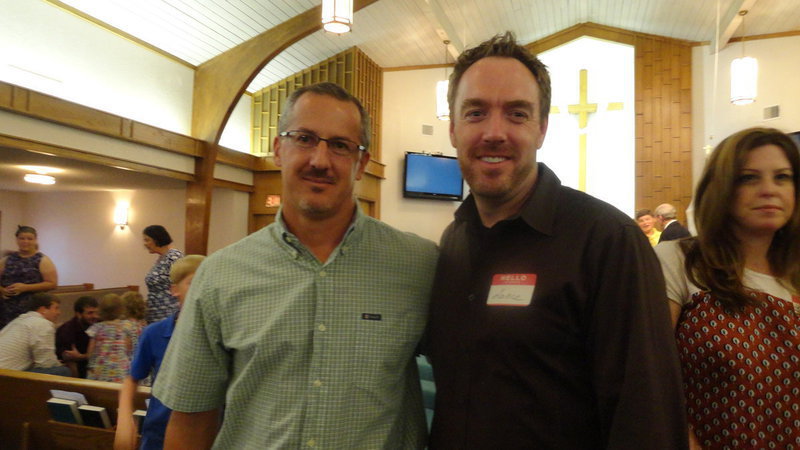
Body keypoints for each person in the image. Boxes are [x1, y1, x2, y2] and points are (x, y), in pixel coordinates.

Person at [426, 32, 688, 449]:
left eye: (516, 114)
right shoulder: (455, 240)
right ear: (454, 129)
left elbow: (647, 417)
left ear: (542, 128)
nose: (495, 132)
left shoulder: (607, 242)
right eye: (475, 113)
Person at [155, 82, 438, 449]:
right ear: (278, 149)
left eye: (340, 145)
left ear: (361, 164)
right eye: (304, 138)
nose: (320, 160)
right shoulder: (220, 275)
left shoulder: (418, 266)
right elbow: (192, 419)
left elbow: (470, 386)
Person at [655, 127, 800, 448]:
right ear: (720, 188)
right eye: (749, 178)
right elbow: (650, 375)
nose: (769, 190)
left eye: (782, 177)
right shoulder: (680, 260)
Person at [115, 255, 204, 450]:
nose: (202, 289)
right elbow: (133, 378)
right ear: (174, 290)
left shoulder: (218, 335)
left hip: (204, 432)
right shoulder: (154, 333)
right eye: (193, 283)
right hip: (159, 432)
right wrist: (124, 418)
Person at [0, 225, 58, 329]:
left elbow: (52, 284)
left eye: (29, 239)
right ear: (17, 240)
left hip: (31, 308)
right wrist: (2, 290)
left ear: (35, 240)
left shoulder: (42, 260)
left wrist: (25, 287)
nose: (25, 241)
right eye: (22, 238)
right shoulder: (7, 259)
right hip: (6, 308)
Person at [0, 293, 70, 376]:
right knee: (62, 371)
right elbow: (46, 363)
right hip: (5, 377)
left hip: (5, 371)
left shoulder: (19, 321)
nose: (59, 312)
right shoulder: (42, 324)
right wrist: (58, 364)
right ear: (43, 309)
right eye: (56, 308)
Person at [85, 294, 140, 383]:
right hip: (120, 371)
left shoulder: (96, 328)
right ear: (121, 309)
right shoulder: (128, 326)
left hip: (99, 370)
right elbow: (130, 349)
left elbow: (90, 354)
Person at [142, 225, 183, 324]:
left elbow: (181, 284)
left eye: (147, 240)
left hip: (167, 314)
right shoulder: (162, 258)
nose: (145, 244)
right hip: (156, 313)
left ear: (157, 239)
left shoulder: (173, 257)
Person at [56, 295, 99, 378]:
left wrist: (82, 356)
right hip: (79, 368)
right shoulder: (67, 330)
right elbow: (65, 356)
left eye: (96, 312)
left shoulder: (100, 324)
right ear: (78, 314)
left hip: (97, 364)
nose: (95, 316)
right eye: (90, 313)